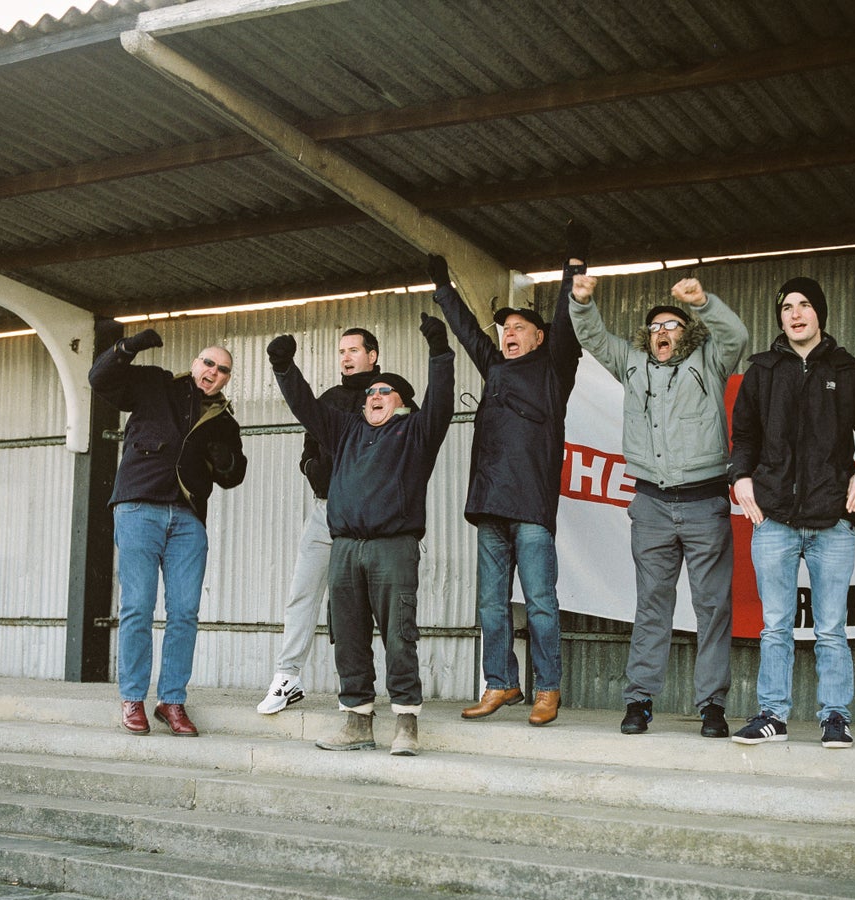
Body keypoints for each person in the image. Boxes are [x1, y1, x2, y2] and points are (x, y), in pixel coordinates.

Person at [568, 274, 748, 738]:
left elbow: (737, 335)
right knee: (651, 606)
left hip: (705, 503)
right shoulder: (631, 363)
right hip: (650, 505)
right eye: (654, 327)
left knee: (712, 608)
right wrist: (581, 301)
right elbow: (590, 336)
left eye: (671, 325)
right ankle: (639, 701)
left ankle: (712, 706)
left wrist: (703, 302)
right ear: (645, 338)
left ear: (686, 333)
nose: (662, 332)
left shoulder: (710, 361)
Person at [266, 315, 454, 756]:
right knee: (347, 637)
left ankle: (406, 722)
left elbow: (442, 401)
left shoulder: (416, 433)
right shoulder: (347, 429)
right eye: (370, 392)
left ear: (403, 402)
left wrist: (439, 349)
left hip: (393, 548)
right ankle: (357, 721)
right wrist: (282, 367)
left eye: (383, 392)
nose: (372, 396)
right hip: (345, 548)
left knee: (398, 635)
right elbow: (307, 407)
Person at [426, 222, 588, 727]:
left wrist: (574, 265)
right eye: (507, 329)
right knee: (491, 607)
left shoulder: (555, 367)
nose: (509, 334)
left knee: (540, 603)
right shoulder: (494, 366)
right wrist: (443, 290)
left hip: (533, 507)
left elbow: (566, 317)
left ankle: (547, 689)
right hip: (489, 506)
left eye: (519, 328)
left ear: (539, 337)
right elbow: (469, 330)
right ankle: (501, 683)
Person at [729, 277, 855, 748]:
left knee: (830, 629)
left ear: (819, 313)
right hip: (775, 519)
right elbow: (744, 437)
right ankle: (772, 717)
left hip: (832, 521)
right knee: (775, 626)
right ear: (779, 317)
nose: (795, 314)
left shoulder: (846, 369)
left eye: (804, 306)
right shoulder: (763, 370)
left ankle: (835, 717)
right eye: (787, 308)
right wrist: (740, 477)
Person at [89, 329, 247, 737]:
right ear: (195, 364)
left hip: (188, 520)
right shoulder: (155, 383)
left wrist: (225, 460)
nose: (213, 372)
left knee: (184, 614)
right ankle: (133, 698)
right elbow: (100, 380)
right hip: (139, 506)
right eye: (208, 363)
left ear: (227, 379)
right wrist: (129, 346)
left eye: (223, 370)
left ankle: (171, 700)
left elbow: (235, 475)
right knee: (137, 608)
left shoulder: (224, 419)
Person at [256, 328, 381, 714]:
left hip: (371, 516)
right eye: (342, 351)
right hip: (326, 510)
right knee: (302, 593)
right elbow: (308, 448)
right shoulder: (329, 399)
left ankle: (357, 691)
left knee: (359, 605)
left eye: (354, 350)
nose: (346, 357)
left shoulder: (385, 396)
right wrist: (315, 470)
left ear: (372, 355)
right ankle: (287, 676)